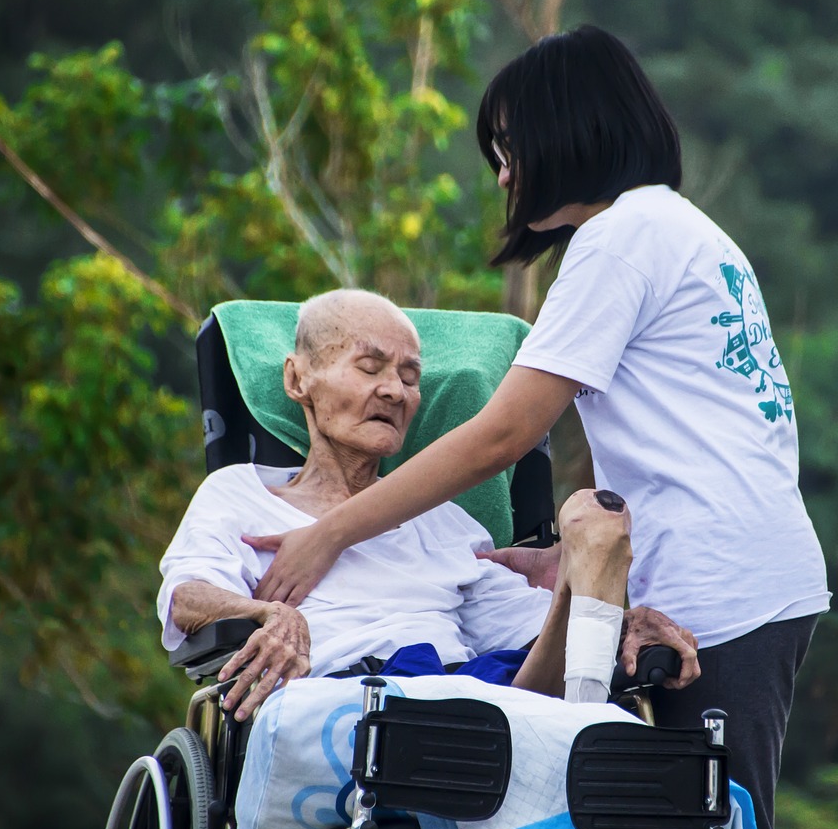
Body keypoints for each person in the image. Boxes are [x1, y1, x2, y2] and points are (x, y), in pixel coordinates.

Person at [244, 27, 830, 829]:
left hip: (719, 588)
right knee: (678, 818)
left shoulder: (617, 242)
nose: (504, 171)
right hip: (753, 564)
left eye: (511, 146)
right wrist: (566, 562)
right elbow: (700, 434)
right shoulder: (681, 230)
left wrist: (332, 531)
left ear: (574, 129)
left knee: (696, 823)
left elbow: (504, 434)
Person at [157, 289, 699, 722]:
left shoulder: (446, 522)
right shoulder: (241, 492)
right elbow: (186, 597)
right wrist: (267, 613)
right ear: (298, 379)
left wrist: (623, 620)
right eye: (370, 368)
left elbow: (524, 628)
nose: (395, 391)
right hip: (335, 698)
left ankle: (570, 714)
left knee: (589, 528)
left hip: (468, 690)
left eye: (410, 377)